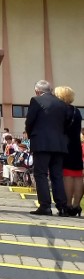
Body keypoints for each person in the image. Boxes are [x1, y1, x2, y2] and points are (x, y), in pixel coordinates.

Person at [24, 79, 70, 216]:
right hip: (59, 144)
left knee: (41, 174)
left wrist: (30, 133)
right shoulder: (62, 104)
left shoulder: (36, 100)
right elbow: (67, 123)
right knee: (57, 175)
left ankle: (45, 206)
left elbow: (30, 120)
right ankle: (62, 206)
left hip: (42, 143)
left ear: (37, 91)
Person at [54, 86, 83, 217]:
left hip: (65, 146)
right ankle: (77, 205)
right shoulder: (77, 111)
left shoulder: (61, 110)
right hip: (76, 145)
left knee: (67, 175)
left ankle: (68, 204)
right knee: (78, 175)